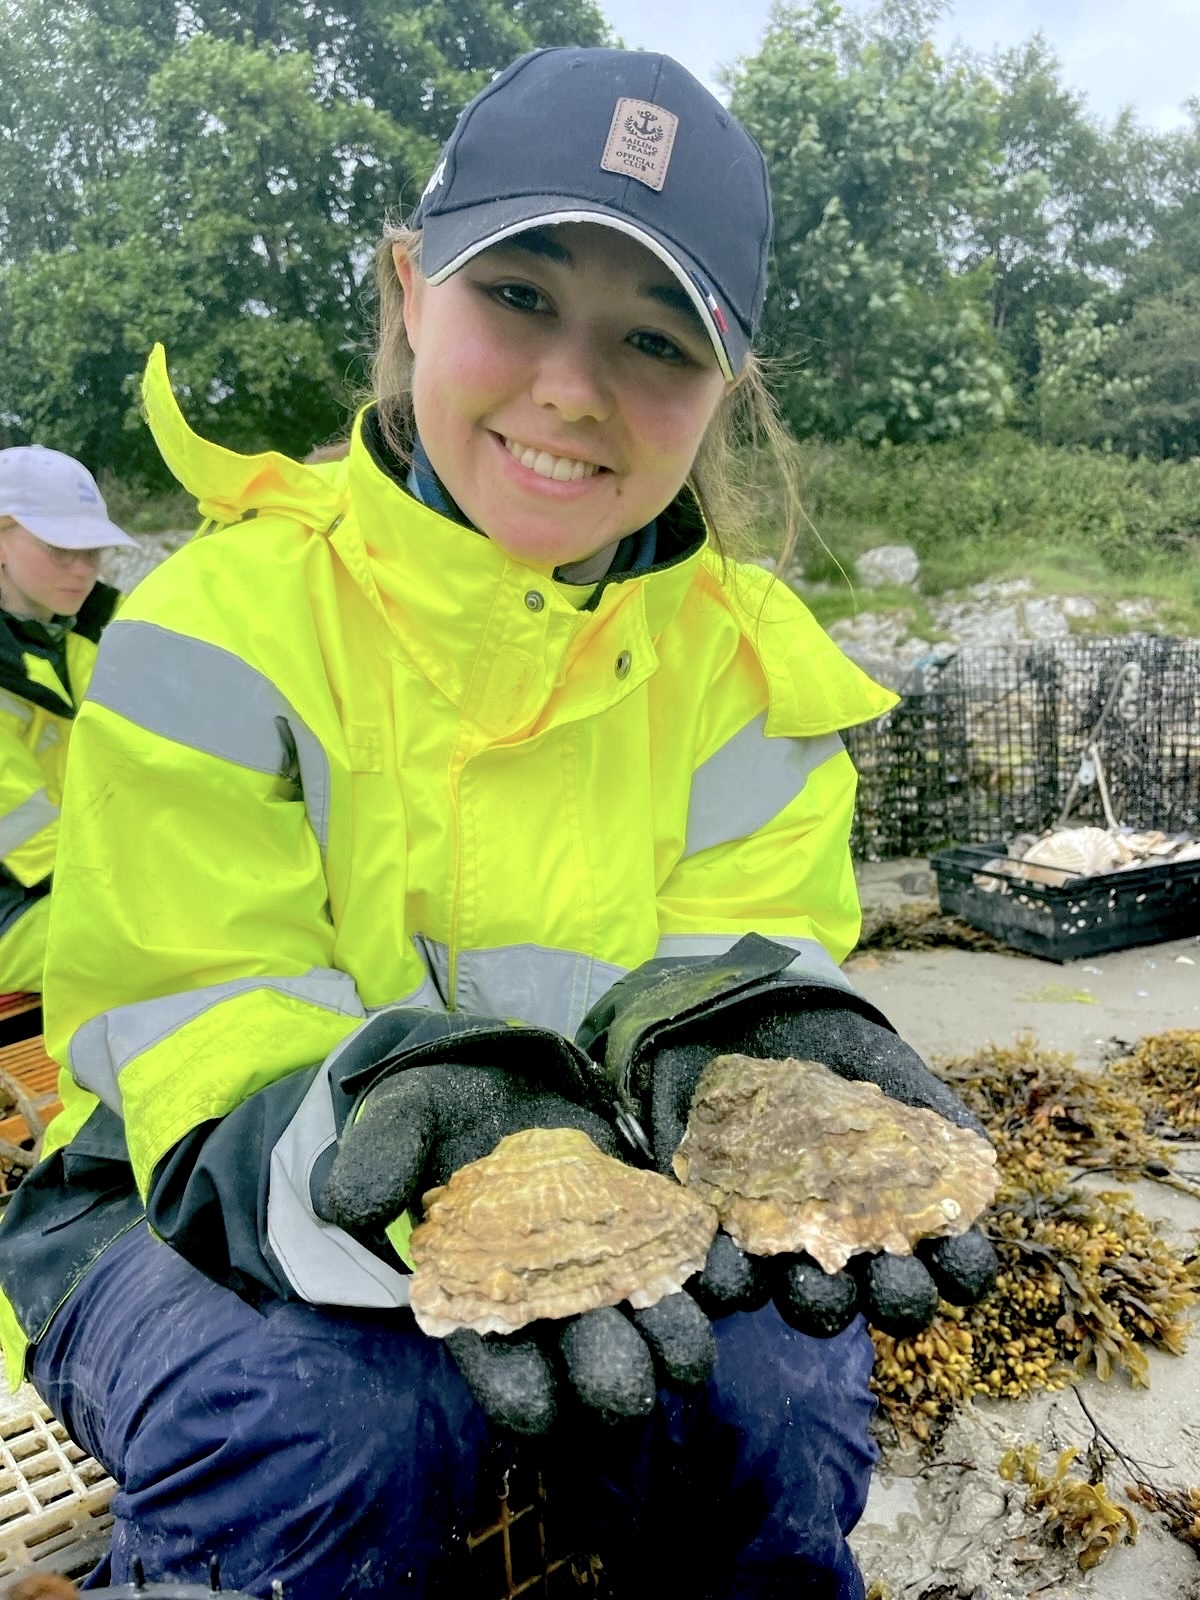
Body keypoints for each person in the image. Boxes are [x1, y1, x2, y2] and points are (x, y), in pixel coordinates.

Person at [0, 47, 996, 1600]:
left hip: (607, 1185)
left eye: (655, 341)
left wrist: (736, 1046)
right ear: (409, 289)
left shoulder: (750, 671)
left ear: (723, 386)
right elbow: (182, 1023)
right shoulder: (216, 627)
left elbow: (746, 974)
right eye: (518, 295)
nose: (571, 389)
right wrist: (425, 1129)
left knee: (778, 1404)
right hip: (186, 1196)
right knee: (330, 1419)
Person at [0, 448, 136, 995]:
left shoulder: (104, 628)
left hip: (79, 875)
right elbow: (20, 829)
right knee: (156, 954)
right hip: (19, 899)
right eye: (60, 549)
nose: (83, 569)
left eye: (93, 550)